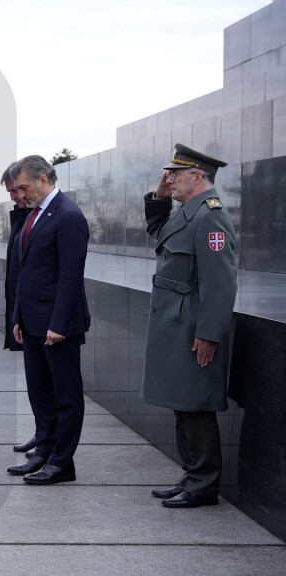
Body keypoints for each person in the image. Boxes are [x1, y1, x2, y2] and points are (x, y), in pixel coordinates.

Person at [142, 144, 236, 509]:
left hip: (193, 325)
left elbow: (221, 283)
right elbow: (159, 233)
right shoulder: (188, 212)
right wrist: (159, 197)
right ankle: (192, 474)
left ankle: (204, 484)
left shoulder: (210, 217)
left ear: (197, 177)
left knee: (196, 404)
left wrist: (209, 335)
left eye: (176, 175)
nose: (170, 179)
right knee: (182, 402)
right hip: (175, 323)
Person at [7, 155, 90, 485]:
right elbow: (25, 273)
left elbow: (70, 277)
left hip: (58, 325)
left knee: (65, 395)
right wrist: (18, 317)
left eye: (24, 187)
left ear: (44, 179)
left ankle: (62, 461)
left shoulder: (68, 217)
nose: (21, 194)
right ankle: (45, 449)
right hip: (32, 322)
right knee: (40, 392)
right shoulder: (35, 215)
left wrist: (59, 324)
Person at [0, 163, 38, 456]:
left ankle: (51, 444)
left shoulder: (58, 216)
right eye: (11, 192)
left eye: (18, 189)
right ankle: (43, 434)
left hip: (46, 318)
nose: (14, 196)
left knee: (52, 387)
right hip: (25, 314)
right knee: (37, 384)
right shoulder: (25, 216)